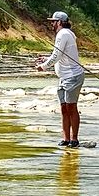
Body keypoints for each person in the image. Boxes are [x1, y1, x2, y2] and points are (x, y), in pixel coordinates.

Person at [35, 10, 86, 147]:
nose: (51, 24)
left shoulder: (63, 34)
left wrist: (43, 66)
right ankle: (66, 139)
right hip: (64, 77)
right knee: (64, 107)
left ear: (60, 22)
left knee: (71, 107)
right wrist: (47, 59)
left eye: (53, 21)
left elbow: (57, 55)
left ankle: (74, 139)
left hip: (72, 76)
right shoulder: (66, 34)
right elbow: (60, 55)